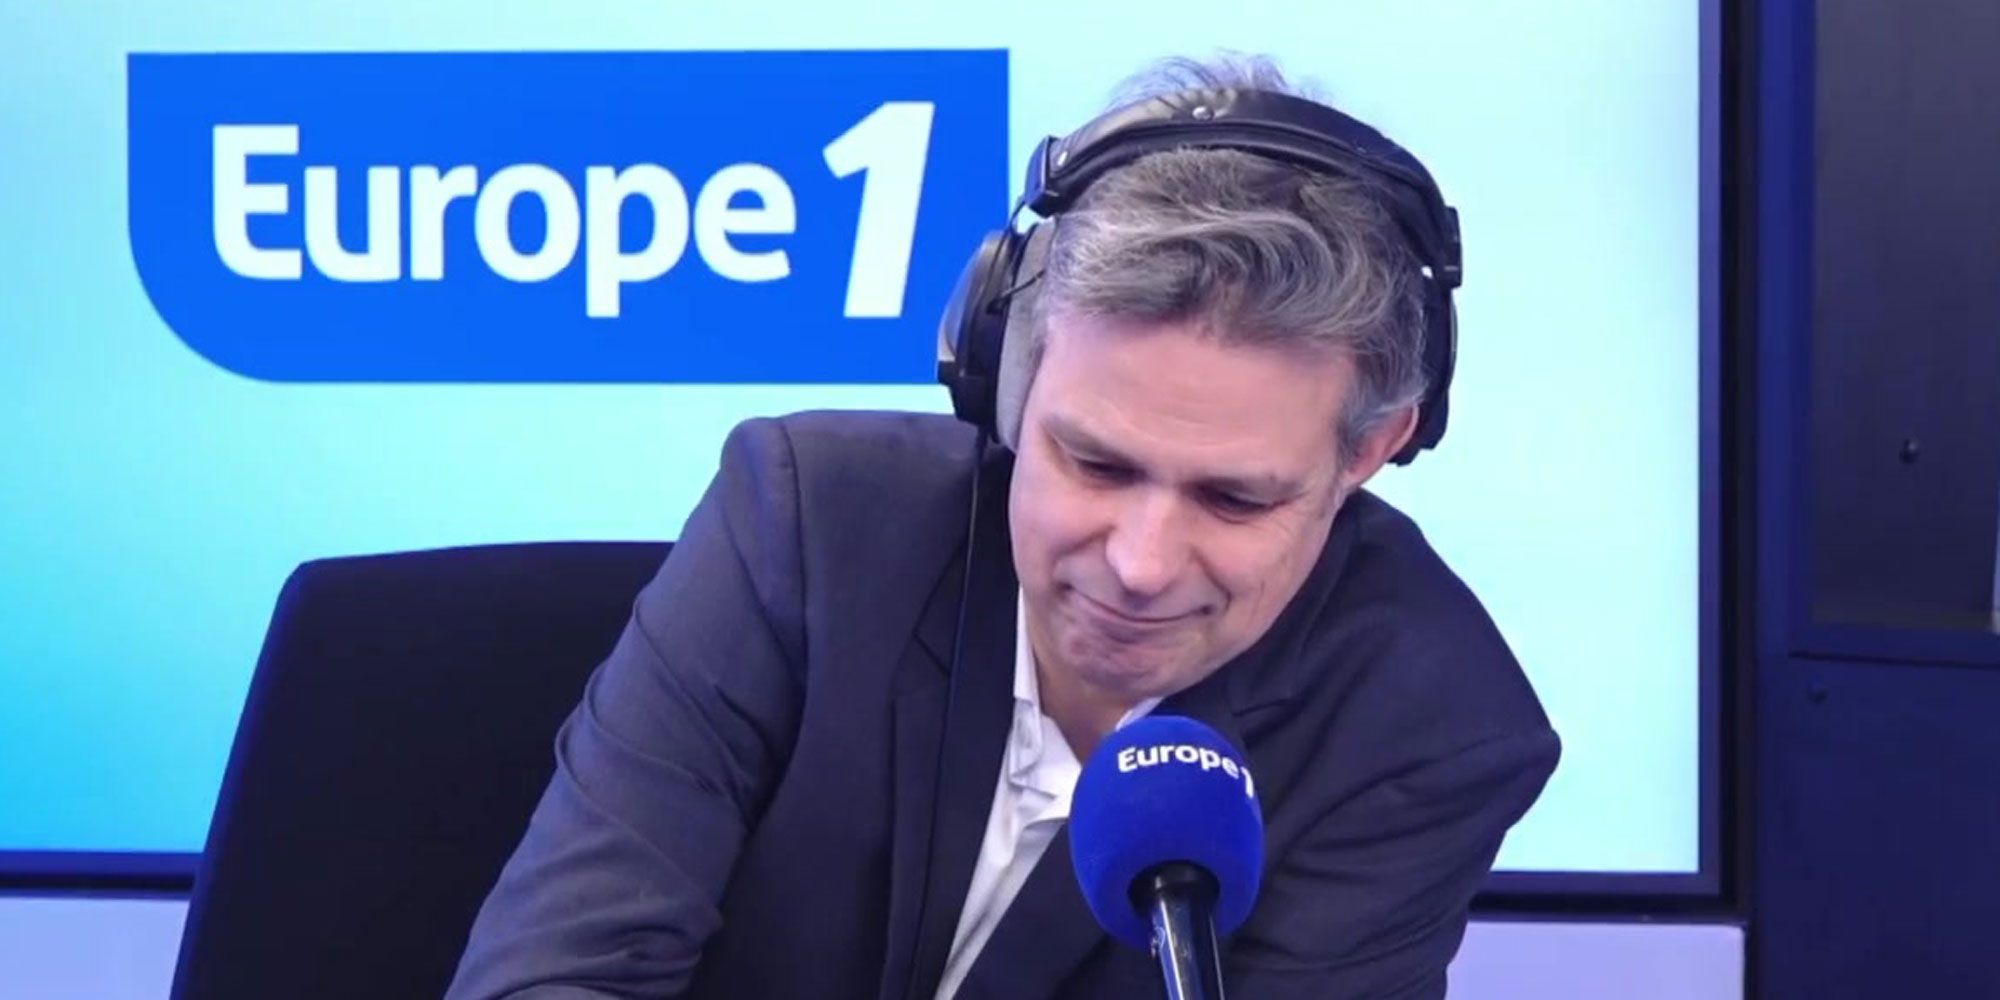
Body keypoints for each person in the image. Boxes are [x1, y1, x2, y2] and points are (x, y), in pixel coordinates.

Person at [446, 53, 1559, 1000]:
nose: (1139, 564)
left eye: (1234, 499)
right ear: (1005, 381)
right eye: (1096, 463)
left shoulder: (1429, 730)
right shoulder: (803, 524)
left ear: (1367, 452)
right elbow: (551, 976)